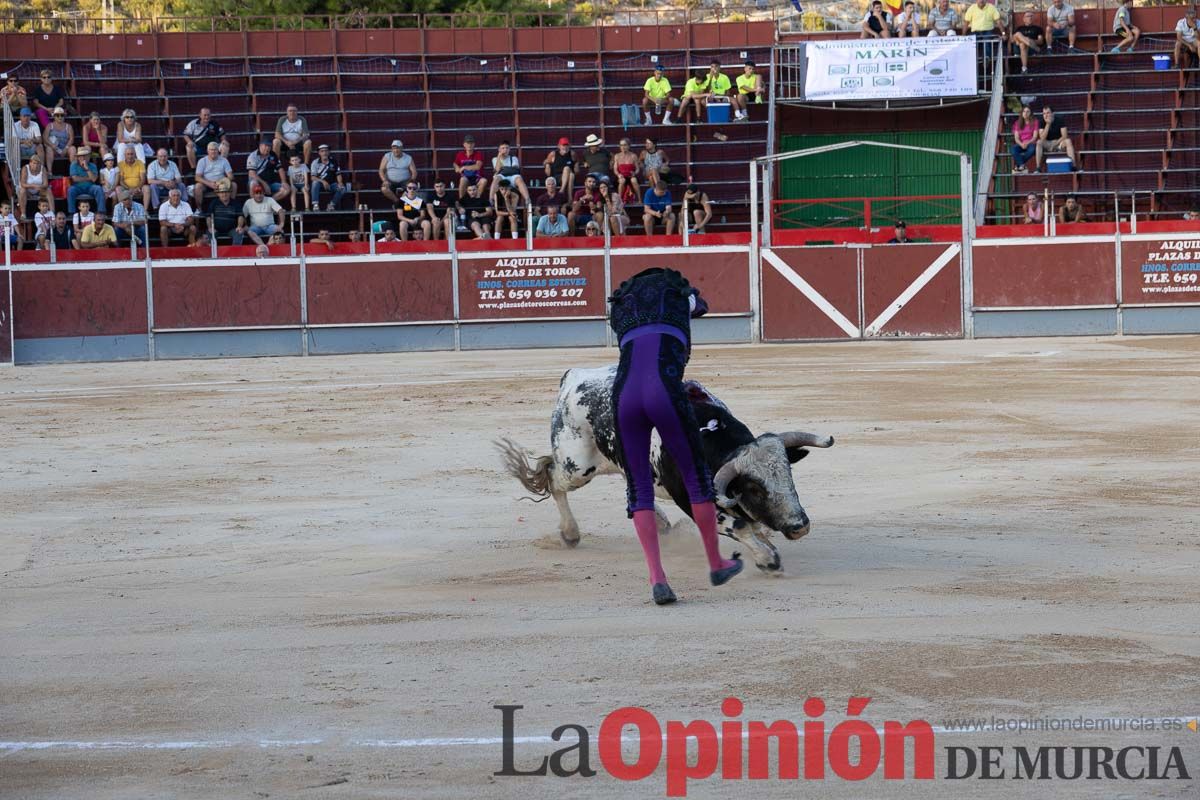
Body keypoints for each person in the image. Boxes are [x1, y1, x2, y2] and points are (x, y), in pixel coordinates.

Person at [606, 267, 743, 605]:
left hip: (622, 396)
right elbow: (701, 305)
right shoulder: (681, 299)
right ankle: (716, 563)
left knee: (639, 488)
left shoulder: (621, 309)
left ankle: (657, 578)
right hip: (663, 390)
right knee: (696, 479)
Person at [194, 142, 236, 212]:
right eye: (211, 150)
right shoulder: (202, 161)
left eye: (215, 149)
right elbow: (197, 177)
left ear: (218, 151)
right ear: (208, 151)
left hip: (221, 184)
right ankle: (199, 209)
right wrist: (209, 183)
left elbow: (231, 176)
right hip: (206, 184)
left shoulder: (224, 160)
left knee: (234, 185)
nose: (213, 151)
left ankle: (230, 207)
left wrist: (221, 183)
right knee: (198, 187)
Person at [489, 140, 531, 210]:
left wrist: (503, 168)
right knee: (496, 178)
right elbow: (497, 170)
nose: (505, 150)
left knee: (519, 179)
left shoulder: (513, 158)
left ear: (509, 149)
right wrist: (499, 157)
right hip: (501, 176)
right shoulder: (495, 159)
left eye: (507, 148)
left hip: (512, 176)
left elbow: (515, 168)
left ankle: (527, 199)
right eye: (503, 148)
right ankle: (491, 199)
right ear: (499, 149)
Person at [1035, 105, 1077, 171]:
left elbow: (1065, 135)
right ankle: (1038, 167)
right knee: (1039, 142)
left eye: (1048, 113)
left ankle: (1073, 166)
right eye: (1044, 113)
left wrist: (1055, 144)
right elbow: (1042, 137)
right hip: (1048, 143)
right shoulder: (1042, 122)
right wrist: (1048, 124)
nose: (1046, 115)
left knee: (1068, 141)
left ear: (1052, 113)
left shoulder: (1059, 120)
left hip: (1059, 142)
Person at [68, 147, 105, 214]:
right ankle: (72, 213)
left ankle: (101, 212)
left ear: (88, 156)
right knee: (71, 190)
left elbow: (94, 179)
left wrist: (87, 168)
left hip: (90, 187)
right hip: (77, 187)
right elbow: (75, 179)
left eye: (85, 156)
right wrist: (88, 178)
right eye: (81, 156)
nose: (83, 158)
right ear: (78, 157)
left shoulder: (93, 165)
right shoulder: (73, 165)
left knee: (98, 188)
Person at [309, 144, 346, 211]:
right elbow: (313, 177)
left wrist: (340, 182)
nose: (324, 153)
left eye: (326, 151)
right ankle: (315, 205)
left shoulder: (333, 161)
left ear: (329, 152)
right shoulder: (315, 162)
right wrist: (323, 181)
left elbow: (338, 174)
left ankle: (331, 205)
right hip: (319, 185)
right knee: (315, 183)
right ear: (319, 153)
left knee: (342, 188)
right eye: (322, 151)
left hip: (331, 184)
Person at [379, 140, 417, 204]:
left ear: (401, 148)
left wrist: (411, 181)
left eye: (398, 148)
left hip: (405, 181)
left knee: (412, 187)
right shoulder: (387, 156)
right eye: (394, 148)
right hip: (390, 181)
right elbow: (381, 170)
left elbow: (414, 172)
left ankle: (400, 203)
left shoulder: (408, 157)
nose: (396, 150)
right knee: (384, 189)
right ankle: (397, 202)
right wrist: (384, 180)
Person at [41, 107, 74, 176]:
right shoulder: (50, 126)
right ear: (54, 116)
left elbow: (71, 139)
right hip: (54, 149)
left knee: (73, 149)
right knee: (49, 149)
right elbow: (45, 137)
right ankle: (49, 171)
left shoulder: (69, 126)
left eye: (62, 115)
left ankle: (74, 172)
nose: (60, 117)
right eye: (57, 115)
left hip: (65, 148)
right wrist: (52, 145)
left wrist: (66, 148)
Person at [207, 180, 243, 244]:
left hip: (232, 229)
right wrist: (210, 228)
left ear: (230, 193)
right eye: (222, 192)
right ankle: (212, 253)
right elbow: (208, 217)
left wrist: (239, 226)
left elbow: (240, 216)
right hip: (216, 229)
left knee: (239, 232)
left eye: (226, 192)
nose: (224, 194)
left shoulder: (235, 203)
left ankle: (235, 252)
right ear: (218, 194)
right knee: (209, 234)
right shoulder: (214, 203)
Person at [118, 145, 151, 209]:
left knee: (147, 188)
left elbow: (143, 179)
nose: (130, 156)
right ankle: (122, 210)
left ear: (135, 155)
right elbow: (121, 181)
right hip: (126, 188)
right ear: (124, 155)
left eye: (131, 154)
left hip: (138, 188)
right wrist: (129, 189)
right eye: (128, 154)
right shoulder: (120, 164)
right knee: (118, 189)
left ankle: (145, 211)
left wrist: (137, 188)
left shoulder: (140, 163)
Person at [1010, 105, 1040, 173]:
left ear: (1030, 113)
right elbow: (1016, 138)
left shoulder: (1035, 122)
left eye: (1027, 111)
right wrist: (1021, 144)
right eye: (1024, 111)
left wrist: (1027, 143)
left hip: (1031, 143)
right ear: (1022, 113)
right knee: (1013, 149)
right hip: (1021, 144)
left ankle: (1019, 166)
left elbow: (1035, 137)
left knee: (1032, 150)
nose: (1025, 113)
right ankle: (1022, 166)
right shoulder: (1017, 123)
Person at [612, 138, 641, 204]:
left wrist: (635, 173)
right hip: (621, 176)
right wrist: (618, 175)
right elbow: (615, 169)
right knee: (622, 181)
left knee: (634, 180)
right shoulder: (617, 156)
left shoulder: (633, 156)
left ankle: (639, 199)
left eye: (625, 145)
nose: (623, 147)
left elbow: (637, 169)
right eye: (621, 145)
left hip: (631, 175)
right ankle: (620, 200)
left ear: (629, 146)